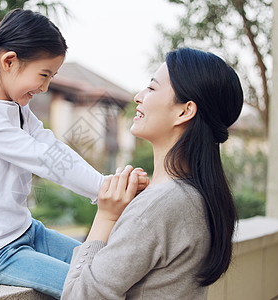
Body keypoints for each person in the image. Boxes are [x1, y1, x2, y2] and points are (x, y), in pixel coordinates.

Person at [0, 9, 147, 299]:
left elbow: (52, 149)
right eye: (44, 74)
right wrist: (105, 191)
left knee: (106, 268)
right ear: (9, 61)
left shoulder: (17, 107)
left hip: (29, 233)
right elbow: (46, 162)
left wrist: (108, 184)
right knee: (88, 288)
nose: (46, 87)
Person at [62, 47, 244, 299]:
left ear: (184, 111)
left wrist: (106, 216)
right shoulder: (199, 196)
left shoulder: (158, 206)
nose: (138, 96)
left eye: (152, 88)